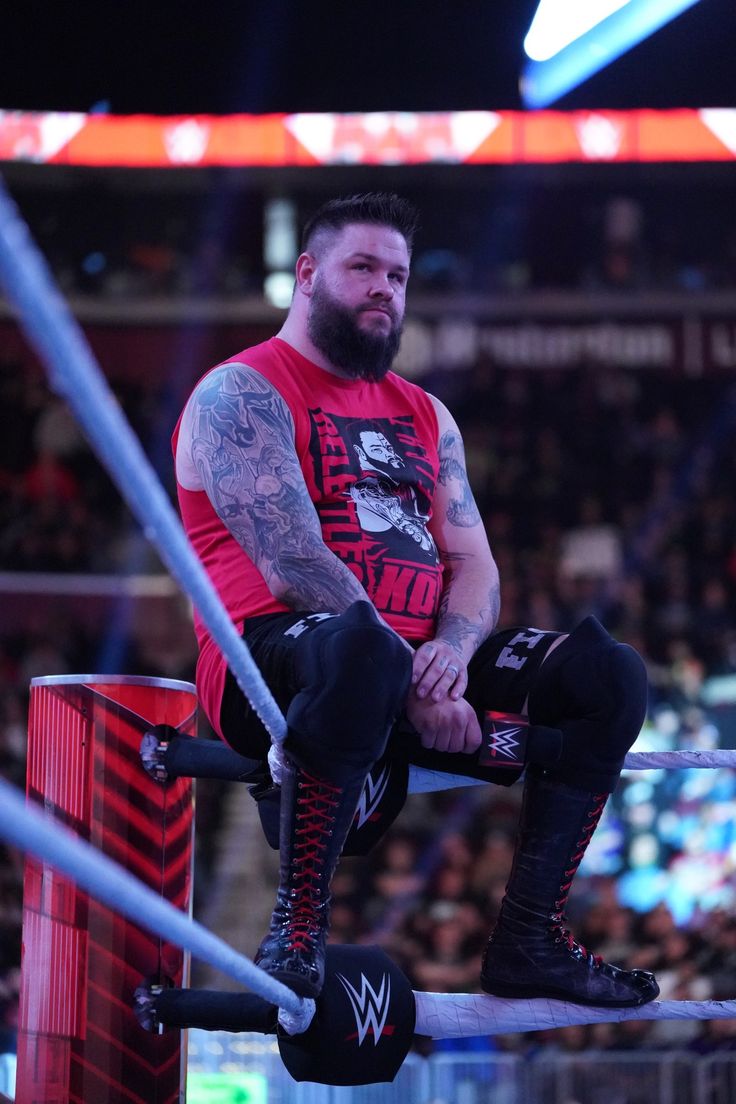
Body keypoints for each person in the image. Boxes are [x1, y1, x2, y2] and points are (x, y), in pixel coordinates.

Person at [172, 193, 659, 1009]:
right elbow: (292, 560)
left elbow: (473, 561)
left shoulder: (425, 414)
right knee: (359, 648)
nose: (384, 290)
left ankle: (531, 940)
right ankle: (295, 927)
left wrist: (450, 660)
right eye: (362, 267)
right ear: (307, 273)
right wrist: (410, 677)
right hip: (274, 658)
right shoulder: (241, 392)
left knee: (609, 673)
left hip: (417, 663)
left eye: (397, 275)